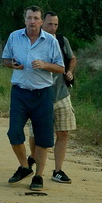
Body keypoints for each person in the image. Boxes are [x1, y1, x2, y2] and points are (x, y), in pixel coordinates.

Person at [1, 5, 64, 192]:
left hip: (43, 92)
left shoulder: (50, 41)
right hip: (20, 91)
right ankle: (24, 166)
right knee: (14, 133)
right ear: (24, 19)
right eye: (29, 18)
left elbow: (60, 68)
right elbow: (5, 59)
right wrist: (11, 64)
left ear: (41, 21)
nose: (33, 22)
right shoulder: (14, 36)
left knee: (43, 137)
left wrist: (45, 64)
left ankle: (38, 175)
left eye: (36, 18)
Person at [27, 11, 78, 184]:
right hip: (41, 95)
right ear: (42, 23)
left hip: (61, 94)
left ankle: (58, 170)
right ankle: (33, 158)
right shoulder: (35, 42)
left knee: (63, 132)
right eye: (50, 24)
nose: (53, 27)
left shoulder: (62, 41)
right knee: (36, 134)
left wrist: (69, 71)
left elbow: (72, 58)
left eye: (55, 24)